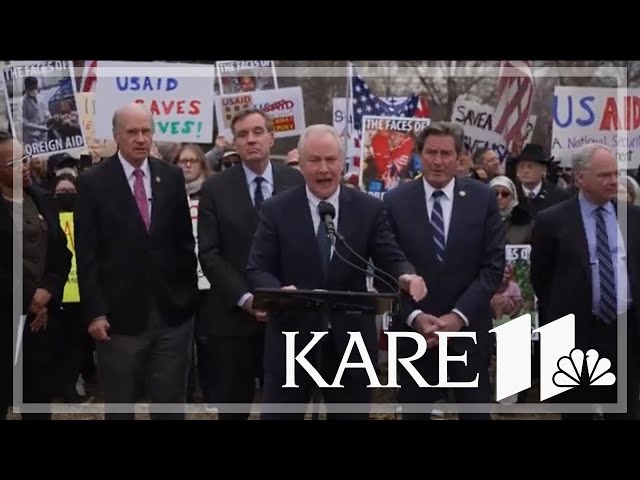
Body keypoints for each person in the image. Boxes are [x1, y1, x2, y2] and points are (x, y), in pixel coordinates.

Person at [246, 124, 425, 420]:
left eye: (330, 160)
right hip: (292, 338)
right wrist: (278, 293)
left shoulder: (368, 209)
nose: (324, 169)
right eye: (314, 161)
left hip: (350, 341)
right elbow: (258, 268)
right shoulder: (276, 209)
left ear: (343, 163)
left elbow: (389, 257)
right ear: (300, 165)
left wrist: (406, 275)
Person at [74, 103, 199, 420]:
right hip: (118, 321)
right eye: (132, 132)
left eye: (146, 131)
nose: (141, 138)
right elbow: (86, 255)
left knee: (170, 407)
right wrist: (95, 312)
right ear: (117, 135)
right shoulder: (92, 182)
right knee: (120, 406)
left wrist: (185, 300)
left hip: (171, 316)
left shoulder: (170, 177)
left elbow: (184, 244)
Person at [383, 121, 506, 420]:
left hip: (468, 334)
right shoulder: (395, 201)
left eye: (446, 153)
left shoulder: (483, 198)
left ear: (459, 157)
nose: (438, 161)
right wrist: (415, 317)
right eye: (431, 152)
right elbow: (386, 268)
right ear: (419, 155)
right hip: (416, 337)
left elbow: (492, 267)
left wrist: (457, 317)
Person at [197, 108, 304, 420]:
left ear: (272, 137)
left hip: (287, 316)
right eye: (243, 135)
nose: (251, 139)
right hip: (233, 320)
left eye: (258, 132)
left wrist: (283, 296)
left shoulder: (295, 181)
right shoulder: (215, 187)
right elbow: (209, 253)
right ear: (234, 143)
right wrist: (246, 299)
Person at [530, 143, 640, 420]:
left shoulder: (634, 218)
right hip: (575, 336)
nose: (613, 181)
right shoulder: (552, 221)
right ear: (580, 178)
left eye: (615, 173)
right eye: (604, 175)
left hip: (624, 332)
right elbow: (540, 278)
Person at [0, 130, 71, 420]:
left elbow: (62, 253)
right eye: (14, 163)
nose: (25, 166)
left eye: (25, 158)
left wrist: (47, 291)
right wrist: (28, 298)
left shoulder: (42, 198)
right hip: (6, 318)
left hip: (40, 323)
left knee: (38, 401)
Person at [515, 143, 570, 217]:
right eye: (522, 166)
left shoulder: (558, 195)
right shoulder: (510, 194)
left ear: (543, 170)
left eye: (530, 167)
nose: (525, 171)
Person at [489, 175, 534, 244]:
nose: (499, 197)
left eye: (505, 194)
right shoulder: (480, 219)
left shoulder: (526, 221)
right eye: (495, 193)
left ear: (512, 196)